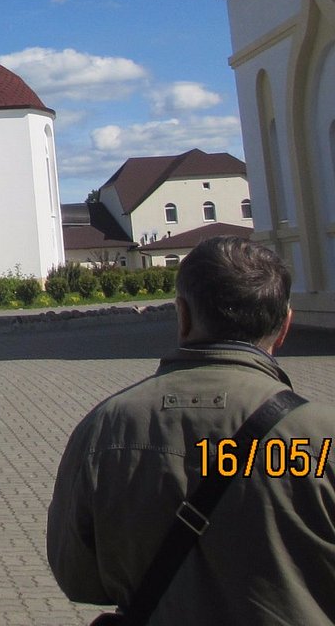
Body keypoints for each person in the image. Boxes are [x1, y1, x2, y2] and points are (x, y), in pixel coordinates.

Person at [47, 235, 335, 624]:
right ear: (285, 325)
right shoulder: (322, 437)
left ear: (181, 315)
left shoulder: (106, 430)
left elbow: (79, 579)